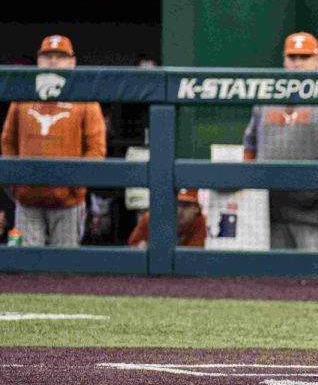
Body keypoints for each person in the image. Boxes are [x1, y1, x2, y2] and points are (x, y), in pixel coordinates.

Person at [242, 32, 318, 251]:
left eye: (304, 57)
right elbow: (250, 144)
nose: (296, 64)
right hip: (269, 213)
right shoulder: (270, 91)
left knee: (316, 281)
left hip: (314, 215)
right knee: (271, 282)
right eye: (291, 57)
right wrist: (252, 189)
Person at [1, 35, 106, 248]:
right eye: (48, 56)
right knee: (28, 266)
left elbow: (96, 148)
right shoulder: (23, 93)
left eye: (60, 56)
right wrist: (16, 181)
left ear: (72, 62)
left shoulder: (85, 98)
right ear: (39, 61)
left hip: (68, 202)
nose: (54, 61)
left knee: (65, 267)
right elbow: (8, 140)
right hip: (28, 198)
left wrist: (76, 187)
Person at [127, 188, 207, 248]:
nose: (179, 211)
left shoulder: (201, 222)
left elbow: (192, 257)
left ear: (197, 208)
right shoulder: (151, 219)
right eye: (175, 203)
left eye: (186, 205)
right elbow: (133, 247)